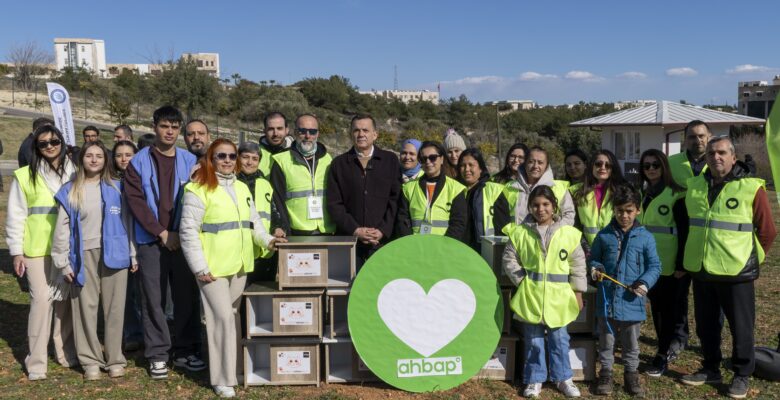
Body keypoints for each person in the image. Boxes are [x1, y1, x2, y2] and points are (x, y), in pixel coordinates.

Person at [180, 139, 285, 398]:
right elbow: (188, 232)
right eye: (220, 156)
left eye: (230, 156)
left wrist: (268, 241)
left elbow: (255, 224)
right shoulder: (197, 189)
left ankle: (234, 370)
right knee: (221, 319)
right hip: (212, 268)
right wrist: (199, 266)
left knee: (233, 317)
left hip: (239, 265)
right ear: (210, 159)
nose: (227, 161)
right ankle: (221, 378)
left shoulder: (241, 187)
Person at [679, 137, 776, 399]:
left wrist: (751, 259)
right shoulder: (696, 185)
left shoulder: (750, 188)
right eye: (711, 153)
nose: (715, 157)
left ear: (734, 157)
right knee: (706, 324)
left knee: (741, 326)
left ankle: (742, 373)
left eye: (722, 152)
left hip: (737, 272)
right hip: (702, 269)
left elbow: (767, 231)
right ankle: (711, 367)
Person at [123, 105, 204, 379]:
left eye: (174, 127)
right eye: (164, 126)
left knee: (185, 297)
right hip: (152, 241)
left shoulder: (189, 160)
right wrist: (161, 232)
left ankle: (185, 351)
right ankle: (158, 354)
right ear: (155, 127)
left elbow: (197, 198)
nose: (169, 131)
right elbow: (136, 202)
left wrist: (179, 234)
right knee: (153, 299)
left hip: (183, 241)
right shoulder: (138, 162)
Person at [51, 141, 136, 380]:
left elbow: (128, 223)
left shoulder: (117, 188)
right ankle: (90, 360)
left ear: (105, 160)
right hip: (83, 255)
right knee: (85, 308)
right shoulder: (70, 190)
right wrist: (63, 261)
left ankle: (115, 358)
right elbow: (61, 230)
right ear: (82, 159)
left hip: (115, 254)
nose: (94, 159)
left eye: (99, 155)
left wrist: (133, 253)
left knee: (115, 308)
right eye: (90, 155)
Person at [6, 124, 78, 380]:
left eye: (54, 141)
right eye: (43, 143)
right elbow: (16, 215)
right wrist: (16, 251)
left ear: (62, 142)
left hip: (67, 248)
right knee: (41, 300)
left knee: (64, 300)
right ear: (36, 147)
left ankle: (64, 351)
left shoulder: (74, 172)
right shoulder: (25, 176)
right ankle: (36, 360)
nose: (49, 146)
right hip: (36, 249)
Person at [503, 186, 586, 398]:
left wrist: (578, 292)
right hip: (531, 295)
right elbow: (509, 259)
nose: (541, 209)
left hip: (559, 297)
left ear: (554, 206)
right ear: (530, 207)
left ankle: (563, 377)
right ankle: (534, 379)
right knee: (533, 339)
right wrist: (522, 280)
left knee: (560, 338)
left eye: (546, 204)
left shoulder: (568, 233)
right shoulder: (520, 232)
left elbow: (577, 264)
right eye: (536, 205)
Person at [589, 184, 661, 397]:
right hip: (607, 300)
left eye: (629, 211)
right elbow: (594, 258)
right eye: (620, 210)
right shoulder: (604, 235)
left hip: (632, 302)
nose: (624, 215)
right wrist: (596, 269)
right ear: (614, 210)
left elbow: (655, 266)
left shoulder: (645, 237)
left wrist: (644, 282)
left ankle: (631, 374)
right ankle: (606, 373)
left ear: (637, 210)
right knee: (606, 341)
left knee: (631, 343)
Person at [637, 149, 690, 378]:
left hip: (670, 265)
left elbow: (685, 231)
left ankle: (662, 354)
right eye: (647, 166)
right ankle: (661, 347)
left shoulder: (676, 194)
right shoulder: (642, 194)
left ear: (664, 167)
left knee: (667, 312)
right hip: (647, 263)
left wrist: (681, 264)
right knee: (656, 309)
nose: (651, 169)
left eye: (655, 165)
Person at [326, 114, 401, 267]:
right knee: (350, 289)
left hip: (382, 242)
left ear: (375, 134)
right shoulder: (339, 164)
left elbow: (396, 200)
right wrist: (355, 230)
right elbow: (334, 204)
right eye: (356, 130)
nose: (361, 134)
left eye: (365, 130)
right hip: (350, 242)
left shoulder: (390, 161)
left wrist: (382, 230)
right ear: (350, 134)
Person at [270, 114, 336, 236]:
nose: (307, 136)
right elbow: (277, 201)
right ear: (295, 133)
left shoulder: (327, 159)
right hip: (297, 233)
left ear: (318, 134)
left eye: (312, 131)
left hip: (326, 231)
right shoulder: (281, 161)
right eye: (302, 131)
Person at [395, 141, 467, 242]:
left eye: (432, 157)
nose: (428, 162)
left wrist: (444, 246)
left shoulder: (456, 189)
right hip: (415, 247)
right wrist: (411, 244)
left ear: (442, 159)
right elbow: (402, 220)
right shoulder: (408, 188)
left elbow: (458, 223)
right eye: (423, 159)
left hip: (443, 249)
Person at [494, 146, 575, 235]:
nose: (535, 166)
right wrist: (517, 237)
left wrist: (553, 234)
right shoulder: (509, 188)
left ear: (546, 166)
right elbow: (501, 219)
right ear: (524, 164)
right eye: (531, 162)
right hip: (517, 243)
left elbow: (569, 216)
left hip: (550, 244)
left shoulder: (559, 188)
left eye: (540, 163)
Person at [111, 140, 143, 352]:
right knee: (125, 294)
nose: (123, 158)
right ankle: (132, 332)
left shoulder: (141, 182)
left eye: (128, 154)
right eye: (119, 155)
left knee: (142, 294)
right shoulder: (110, 183)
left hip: (141, 244)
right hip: (118, 246)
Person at [236, 141, 284, 282]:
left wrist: (277, 227)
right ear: (238, 158)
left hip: (265, 250)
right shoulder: (231, 182)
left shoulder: (264, 183)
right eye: (245, 157)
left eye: (255, 158)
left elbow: (273, 211)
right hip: (241, 250)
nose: (250, 162)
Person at [573, 150, 627, 246]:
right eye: (598, 164)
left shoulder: (623, 191)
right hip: (587, 250)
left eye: (608, 165)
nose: (603, 168)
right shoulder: (576, 191)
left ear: (613, 168)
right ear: (592, 166)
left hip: (615, 249)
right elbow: (574, 223)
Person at [457, 148, 508, 251]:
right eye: (463, 165)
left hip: (486, 251)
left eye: (471, 165)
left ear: (480, 168)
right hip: (460, 251)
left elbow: (502, 228)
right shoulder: (455, 190)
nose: (467, 169)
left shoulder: (494, 190)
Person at [668, 120, 710, 188]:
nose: (698, 141)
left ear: (708, 137)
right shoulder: (669, 162)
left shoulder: (718, 161)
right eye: (692, 137)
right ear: (685, 139)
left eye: (701, 136)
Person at [258, 111, 293, 176]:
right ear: (264, 131)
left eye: (279, 128)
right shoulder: (255, 153)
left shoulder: (296, 154)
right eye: (271, 129)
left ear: (287, 130)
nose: (275, 134)